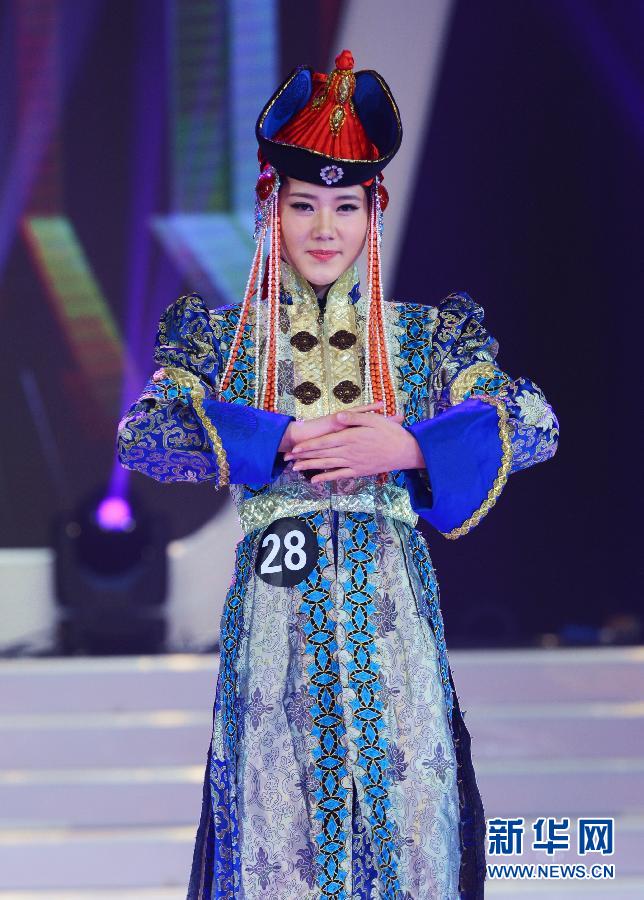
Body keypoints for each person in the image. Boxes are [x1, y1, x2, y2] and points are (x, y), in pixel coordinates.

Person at [117, 50, 559, 900]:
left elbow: (532, 420)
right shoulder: (220, 340)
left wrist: (409, 448)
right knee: (278, 843)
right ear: (271, 208)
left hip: (392, 632)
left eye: (346, 207)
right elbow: (144, 434)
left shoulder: (429, 338)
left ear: (373, 214)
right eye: (305, 204)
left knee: (409, 833)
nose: (326, 228)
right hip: (274, 637)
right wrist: (282, 440)